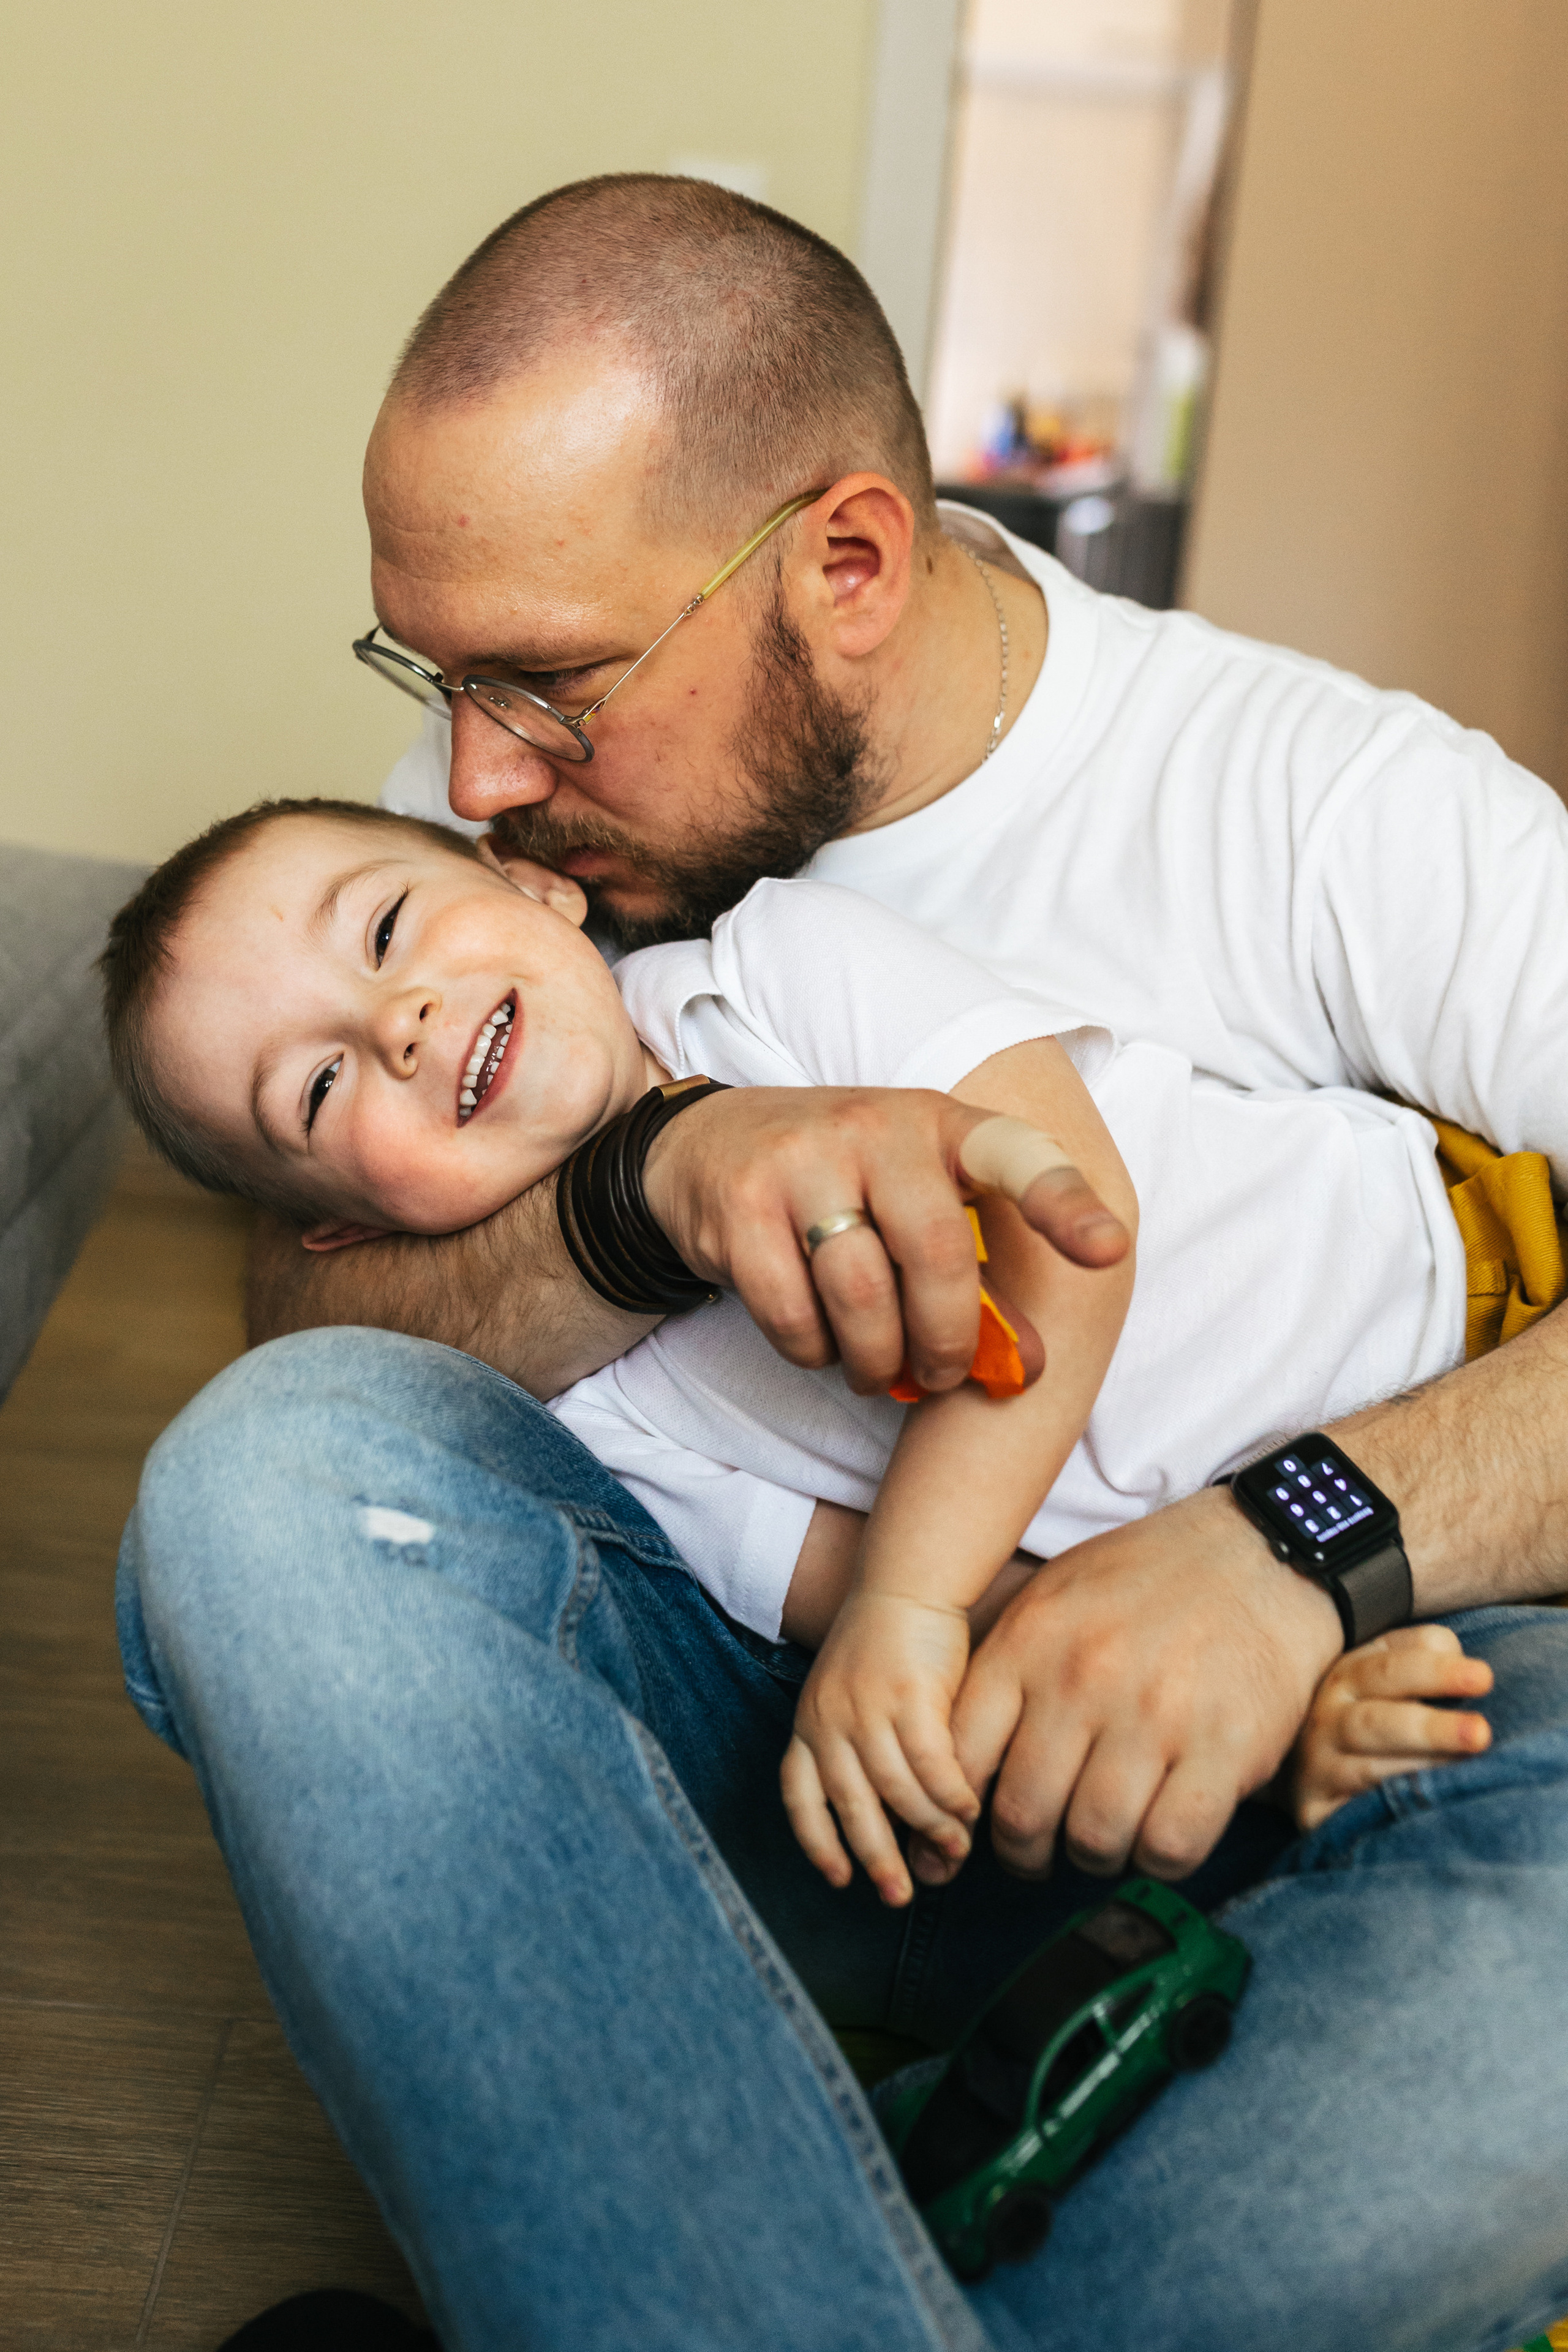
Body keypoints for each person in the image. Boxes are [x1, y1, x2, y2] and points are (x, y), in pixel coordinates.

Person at [119, 175, 1568, 2351]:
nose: (477, 770)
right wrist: (650, 1184)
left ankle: (689, 2257)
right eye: (435, 680)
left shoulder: (1337, 813)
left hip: (1362, 1720)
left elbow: (1065, 1221)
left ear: (851, 563)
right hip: (866, 1765)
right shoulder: (474, 854)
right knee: (262, 1481)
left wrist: (1301, 1548)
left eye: (548, 688)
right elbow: (318, 1306)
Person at [106, 797, 1500, 1908]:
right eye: (322, 1085)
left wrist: (906, 1606)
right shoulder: (588, 1421)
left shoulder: (773, 965)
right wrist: (1278, 1686)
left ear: (532, 885)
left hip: (1454, 1285)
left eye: (389, 928)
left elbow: (1072, 1224)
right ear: (346, 1236)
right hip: (1324, 1569)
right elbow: (921, 1589)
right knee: (1387, 1781)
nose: (393, 1020)